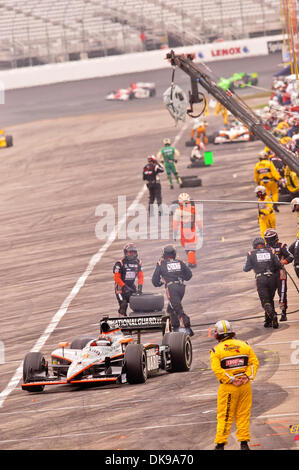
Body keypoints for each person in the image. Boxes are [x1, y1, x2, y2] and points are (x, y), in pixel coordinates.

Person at [210, 320, 259, 450]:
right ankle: (244, 444)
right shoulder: (244, 345)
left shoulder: (216, 350)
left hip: (229, 387)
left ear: (217, 334)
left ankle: (220, 444)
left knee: (225, 415)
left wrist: (231, 380)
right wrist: (247, 376)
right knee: (243, 414)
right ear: (232, 331)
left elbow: (217, 370)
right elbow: (254, 363)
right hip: (245, 385)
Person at [152, 245, 194, 336]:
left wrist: (159, 283)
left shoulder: (161, 263)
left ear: (164, 254)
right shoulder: (180, 262)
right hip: (181, 287)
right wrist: (181, 277)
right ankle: (176, 328)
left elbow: (154, 280)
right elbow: (189, 275)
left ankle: (188, 328)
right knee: (171, 309)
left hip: (171, 287)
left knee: (178, 309)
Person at [243, 237, 281, 328]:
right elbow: (278, 265)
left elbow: (246, 268)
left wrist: (254, 264)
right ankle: (268, 321)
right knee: (270, 299)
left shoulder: (250, 254)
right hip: (272, 279)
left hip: (261, 279)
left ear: (254, 246)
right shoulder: (271, 251)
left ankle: (273, 316)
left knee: (265, 301)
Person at [264, 228, 294, 321]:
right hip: (269, 274)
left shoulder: (282, 246)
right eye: (267, 239)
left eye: (271, 238)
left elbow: (291, 256)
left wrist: (283, 262)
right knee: (269, 295)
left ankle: (283, 313)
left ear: (275, 237)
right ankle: (270, 315)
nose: (269, 241)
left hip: (281, 273)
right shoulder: (264, 248)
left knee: (282, 294)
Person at [172, 192, 203, 268]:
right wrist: (201, 229)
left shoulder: (178, 211)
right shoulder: (193, 209)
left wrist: (175, 233)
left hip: (183, 231)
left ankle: (192, 262)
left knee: (187, 247)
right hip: (192, 230)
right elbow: (198, 221)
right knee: (191, 247)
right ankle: (192, 262)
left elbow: (175, 223)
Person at [113, 243, 143, 316]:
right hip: (120, 288)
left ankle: (139, 320)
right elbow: (116, 278)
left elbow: (140, 276)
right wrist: (124, 287)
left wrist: (140, 287)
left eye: (133, 252)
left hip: (131, 286)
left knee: (138, 302)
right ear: (126, 253)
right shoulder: (119, 263)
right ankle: (121, 321)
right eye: (130, 252)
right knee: (123, 304)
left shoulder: (138, 262)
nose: (132, 254)